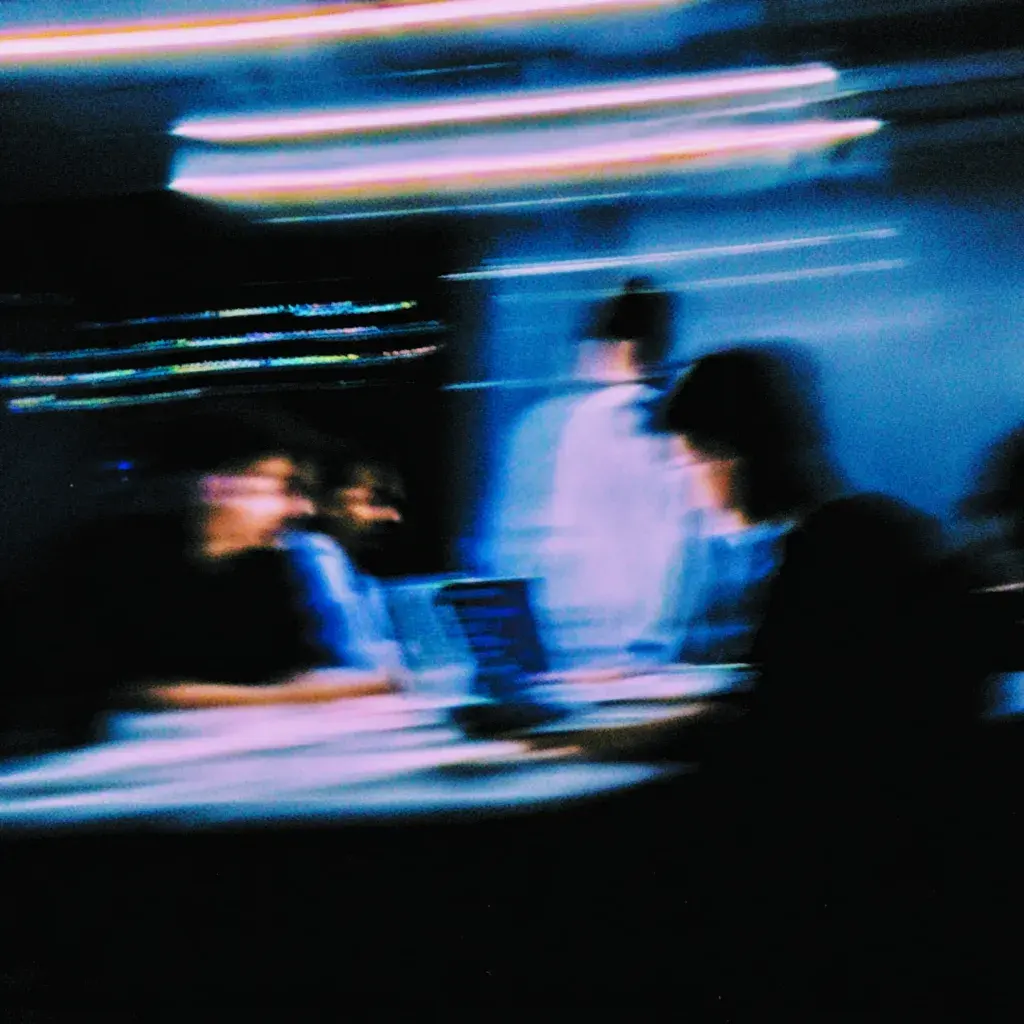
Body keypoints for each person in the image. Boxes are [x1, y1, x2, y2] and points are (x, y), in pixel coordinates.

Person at [659, 343, 977, 1014]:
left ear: (729, 453)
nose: (689, 492)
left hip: (833, 901)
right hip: (916, 883)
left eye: (689, 463)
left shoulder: (819, 558)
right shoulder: (886, 531)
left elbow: (774, 739)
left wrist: (628, 741)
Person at [36, 412, 396, 719]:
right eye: (276, 488)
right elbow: (131, 696)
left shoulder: (267, 568)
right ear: (213, 488)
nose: (298, 509)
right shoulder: (108, 565)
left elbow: (288, 672)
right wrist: (316, 695)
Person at [487, 278, 696, 670]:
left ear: (611, 348)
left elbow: (517, 549)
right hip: (640, 647)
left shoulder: (546, 426)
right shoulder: (666, 428)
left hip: (561, 642)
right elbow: (674, 545)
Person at [283, 449, 409, 680]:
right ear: (328, 504)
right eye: (373, 501)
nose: (392, 516)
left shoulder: (356, 567)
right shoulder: (315, 551)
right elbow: (357, 655)